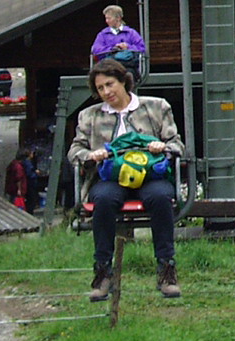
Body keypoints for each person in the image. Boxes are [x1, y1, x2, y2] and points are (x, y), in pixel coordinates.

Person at [68, 59, 185, 301]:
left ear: (123, 81)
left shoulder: (156, 107)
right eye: (100, 88)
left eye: (110, 84)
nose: (106, 92)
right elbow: (75, 151)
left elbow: (177, 145)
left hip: (149, 175)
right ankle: (103, 271)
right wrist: (91, 156)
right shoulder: (89, 116)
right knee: (103, 199)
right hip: (110, 176)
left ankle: (166, 269)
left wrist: (161, 147)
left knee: (160, 197)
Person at [90, 5, 146, 69]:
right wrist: (113, 49)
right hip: (107, 67)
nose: (106, 21)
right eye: (106, 18)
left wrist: (127, 47)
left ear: (118, 18)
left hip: (128, 66)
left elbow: (141, 48)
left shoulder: (131, 33)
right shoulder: (102, 34)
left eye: (109, 18)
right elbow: (96, 49)